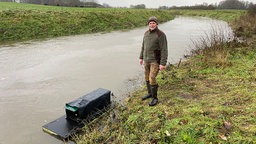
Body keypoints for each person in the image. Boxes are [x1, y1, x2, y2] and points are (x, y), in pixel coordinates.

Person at [139, 16, 168, 106]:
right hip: (146, 60)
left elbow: (164, 49)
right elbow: (143, 46)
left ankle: (154, 98)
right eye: (150, 23)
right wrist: (141, 57)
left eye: (153, 23)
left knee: (152, 78)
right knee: (147, 77)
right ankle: (150, 93)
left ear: (156, 24)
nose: (152, 25)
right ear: (148, 24)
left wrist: (163, 63)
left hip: (155, 61)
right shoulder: (146, 33)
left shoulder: (161, 34)